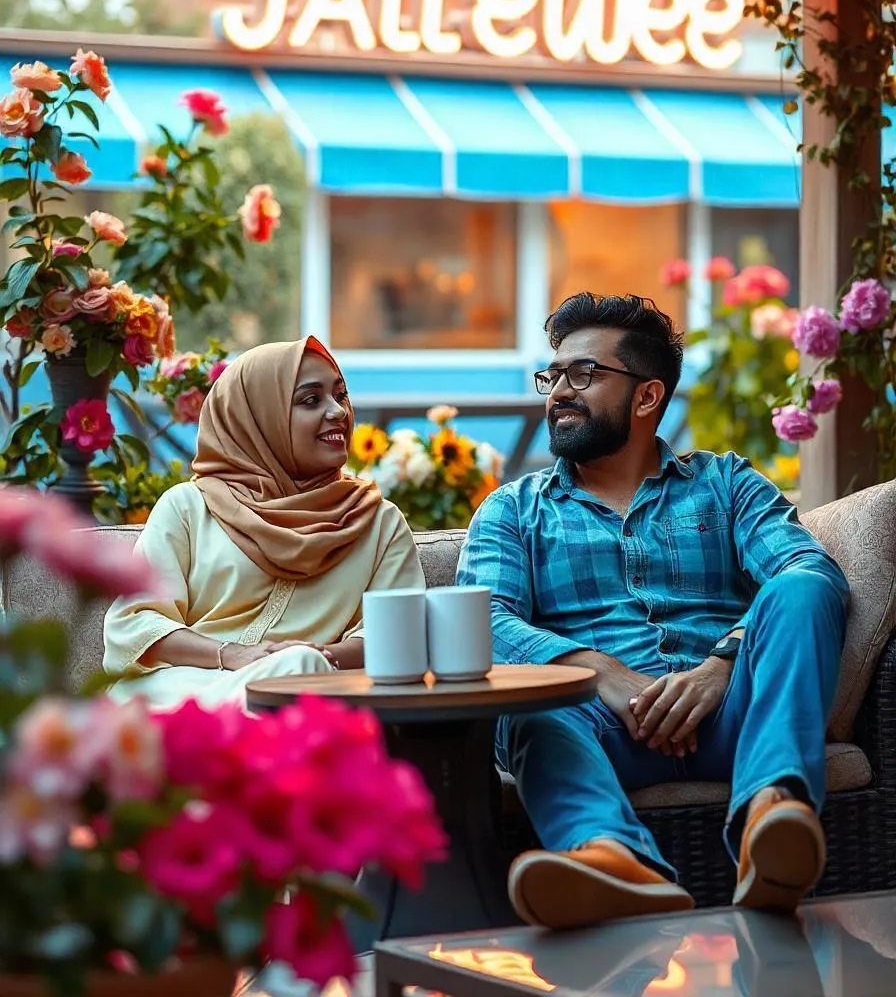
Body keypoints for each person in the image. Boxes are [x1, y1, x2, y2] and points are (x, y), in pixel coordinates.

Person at [456, 293, 848, 930]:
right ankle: (613, 859)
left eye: (582, 374)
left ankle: (772, 817)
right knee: (530, 704)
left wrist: (722, 664)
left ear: (646, 397)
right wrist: (597, 672)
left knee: (804, 590)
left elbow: (807, 569)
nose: (558, 391)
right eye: (552, 376)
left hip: (729, 714)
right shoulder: (513, 509)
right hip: (595, 725)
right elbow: (485, 621)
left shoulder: (726, 482)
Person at [104, 337, 424, 709]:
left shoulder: (377, 523)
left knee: (298, 671)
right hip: (181, 688)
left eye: (341, 395)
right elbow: (135, 624)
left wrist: (320, 657)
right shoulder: (189, 507)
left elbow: (399, 633)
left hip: (302, 692)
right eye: (310, 400)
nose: (338, 411)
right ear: (257, 417)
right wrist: (231, 653)